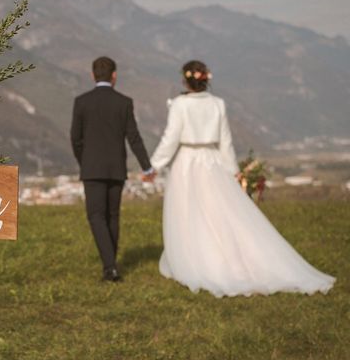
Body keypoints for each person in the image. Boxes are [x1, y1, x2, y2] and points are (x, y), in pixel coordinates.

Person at [150, 60, 335, 297]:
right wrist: (231, 169)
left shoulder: (179, 105)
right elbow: (226, 140)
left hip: (186, 162)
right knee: (218, 212)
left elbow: (171, 138)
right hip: (212, 161)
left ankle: (194, 257)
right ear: (205, 79)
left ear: (185, 80)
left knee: (188, 213)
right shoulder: (218, 104)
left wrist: (154, 165)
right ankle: (226, 256)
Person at [70, 56, 155, 282]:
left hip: (91, 168)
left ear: (92, 75)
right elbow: (134, 137)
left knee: (96, 216)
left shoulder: (81, 102)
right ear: (114, 75)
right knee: (112, 216)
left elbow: (75, 139)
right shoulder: (124, 102)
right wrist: (146, 166)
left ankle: (110, 267)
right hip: (117, 167)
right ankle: (111, 265)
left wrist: (84, 161)